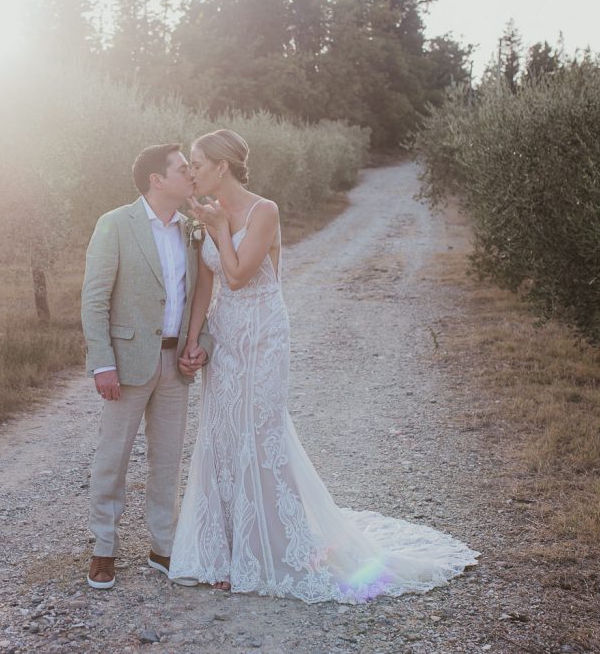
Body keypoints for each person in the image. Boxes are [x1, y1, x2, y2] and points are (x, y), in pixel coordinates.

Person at [169, 129, 478, 602]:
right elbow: (207, 288)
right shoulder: (207, 213)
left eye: (196, 161)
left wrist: (215, 230)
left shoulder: (263, 211)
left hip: (263, 336)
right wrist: (193, 342)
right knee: (221, 432)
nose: (190, 170)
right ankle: (225, 552)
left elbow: (236, 275)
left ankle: (271, 550)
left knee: (260, 432)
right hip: (226, 338)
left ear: (221, 166)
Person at [81, 143, 214, 590]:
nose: (189, 175)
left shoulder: (193, 229)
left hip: (176, 363)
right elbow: (95, 299)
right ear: (157, 180)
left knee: (168, 458)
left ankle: (164, 546)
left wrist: (202, 344)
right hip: (127, 361)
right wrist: (102, 363)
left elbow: (200, 295)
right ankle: (103, 548)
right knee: (112, 457)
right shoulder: (116, 224)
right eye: (181, 170)